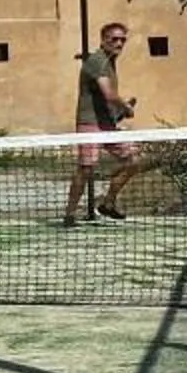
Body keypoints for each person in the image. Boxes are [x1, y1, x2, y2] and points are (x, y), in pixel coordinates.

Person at [63, 21, 140, 225]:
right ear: (104, 40)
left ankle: (108, 203)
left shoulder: (107, 60)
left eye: (122, 40)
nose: (119, 43)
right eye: (114, 39)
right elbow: (109, 94)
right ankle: (69, 214)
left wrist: (118, 112)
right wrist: (126, 108)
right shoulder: (98, 61)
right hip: (89, 124)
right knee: (86, 169)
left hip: (108, 124)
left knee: (133, 161)